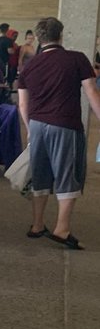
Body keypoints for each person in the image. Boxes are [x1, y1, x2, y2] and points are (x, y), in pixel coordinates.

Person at [17, 16, 100, 250]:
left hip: (37, 125)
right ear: (60, 35)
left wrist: (30, 129)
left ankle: (37, 224)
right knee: (67, 174)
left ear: (40, 38)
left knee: (41, 174)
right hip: (65, 124)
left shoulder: (30, 65)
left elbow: (23, 104)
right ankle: (62, 229)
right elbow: (92, 92)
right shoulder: (76, 59)